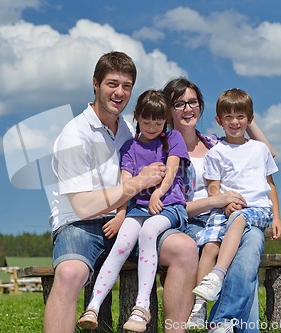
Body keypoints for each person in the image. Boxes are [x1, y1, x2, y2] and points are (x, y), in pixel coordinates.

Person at [44, 52, 199, 333]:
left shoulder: (129, 130)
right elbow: (81, 206)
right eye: (112, 84)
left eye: (126, 86)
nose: (119, 92)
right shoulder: (74, 135)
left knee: (185, 249)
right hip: (81, 225)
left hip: (131, 218)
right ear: (95, 84)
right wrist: (138, 183)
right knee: (69, 273)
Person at [163, 78, 276, 333]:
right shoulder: (164, 151)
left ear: (201, 107)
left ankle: (221, 321)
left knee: (252, 243)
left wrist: (243, 113)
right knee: (243, 249)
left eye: (192, 102)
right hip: (193, 223)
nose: (187, 108)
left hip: (233, 214)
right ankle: (225, 322)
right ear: (168, 110)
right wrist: (217, 200)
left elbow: (267, 153)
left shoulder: (215, 142)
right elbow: (174, 207)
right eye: (178, 104)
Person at [77, 89, 190, 332]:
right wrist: (120, 214)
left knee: (148, 231)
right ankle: (93, 306)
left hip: (169, 207)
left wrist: (158, 193)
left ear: (166, 120)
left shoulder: (173, 139)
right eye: (146, 121)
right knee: (122, 241)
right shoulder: (129, 147)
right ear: (137, 116)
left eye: (158, 122)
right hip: (138, 208)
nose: (152, 126)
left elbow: (170, 171)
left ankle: (141, 308)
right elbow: (126, 185)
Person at [192, 88, 281, 305]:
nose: (234, 122)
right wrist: (224, 204)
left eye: (241, 117)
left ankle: (218, 274)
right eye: (228, 117)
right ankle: (198, 306)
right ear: (219, 121)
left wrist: (277, 218)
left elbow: (270, 185)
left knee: (239, 218)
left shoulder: (260, 149)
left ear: (250, 120)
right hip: (225, 209)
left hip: (256, 209)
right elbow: (213, 187)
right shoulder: (215, 152)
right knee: (209, 246)